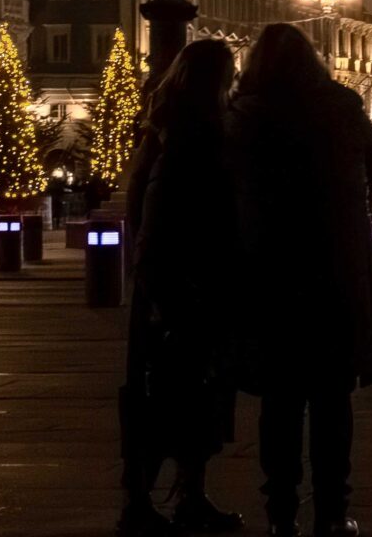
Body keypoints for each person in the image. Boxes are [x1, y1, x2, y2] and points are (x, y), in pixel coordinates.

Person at [228, 24, 372, 537]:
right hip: (335, 270)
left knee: (280, 400)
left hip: (270, 271)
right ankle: (332, 511)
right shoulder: (342, 106)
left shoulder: (244, 114)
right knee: (331, 397)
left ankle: (280, 513)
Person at [120, 40, 244, 536]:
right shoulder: (192, 140)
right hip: (182, 290)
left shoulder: (166, 133)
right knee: (174, 399)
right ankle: (147, 503)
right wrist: (170, 296)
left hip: (173, 287)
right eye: (229, 75)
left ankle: (179, 497)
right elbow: (168, 221)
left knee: (182, 398)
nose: (234, 84)